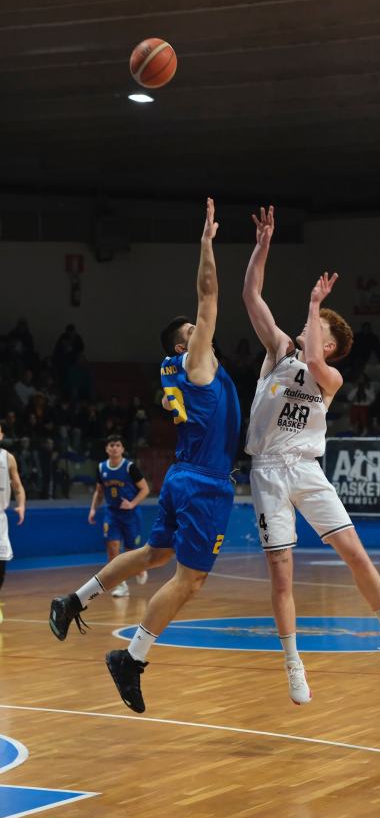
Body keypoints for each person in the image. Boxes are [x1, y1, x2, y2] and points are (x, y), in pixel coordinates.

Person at [49, 198, 241, 714]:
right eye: (193, 332)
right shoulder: (197, 361)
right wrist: (206, 244)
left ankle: (75, 599)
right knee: (190, 579)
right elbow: (208, 294)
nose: (203, 332)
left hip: (184, 473)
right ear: (186, 343)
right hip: (203, 481)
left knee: (155, 556)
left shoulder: (186, 371)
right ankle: (131, 658)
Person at [243, 205, 380, 706]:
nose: (306, 330)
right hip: (267, 475)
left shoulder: (329, 376)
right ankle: (293, 664)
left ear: (327, 342)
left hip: (306, 471)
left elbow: (313, 360)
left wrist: (314, 304)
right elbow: (251, 295)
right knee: (281, 576)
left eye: (315, 327)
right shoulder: (279, 350)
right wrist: (262, 247)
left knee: (355, 553)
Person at [88, 434, 150, 597]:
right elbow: (99, 491)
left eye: (117, 445)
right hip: (112, 513)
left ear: (122, 449)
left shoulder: (130, 467)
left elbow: (145, 489)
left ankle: (140, 569)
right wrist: (93, 509)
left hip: (130, 514)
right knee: (112, 549)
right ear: (106, 449)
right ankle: (121, 585)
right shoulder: (102, 468)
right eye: (111, 445)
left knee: (131, 552)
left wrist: (132, 503)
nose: (114, 448)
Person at [0, 422, 26, 622]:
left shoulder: (8, 458)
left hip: (0, 516)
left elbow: (17, 486)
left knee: (1, 563)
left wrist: (21, 505)